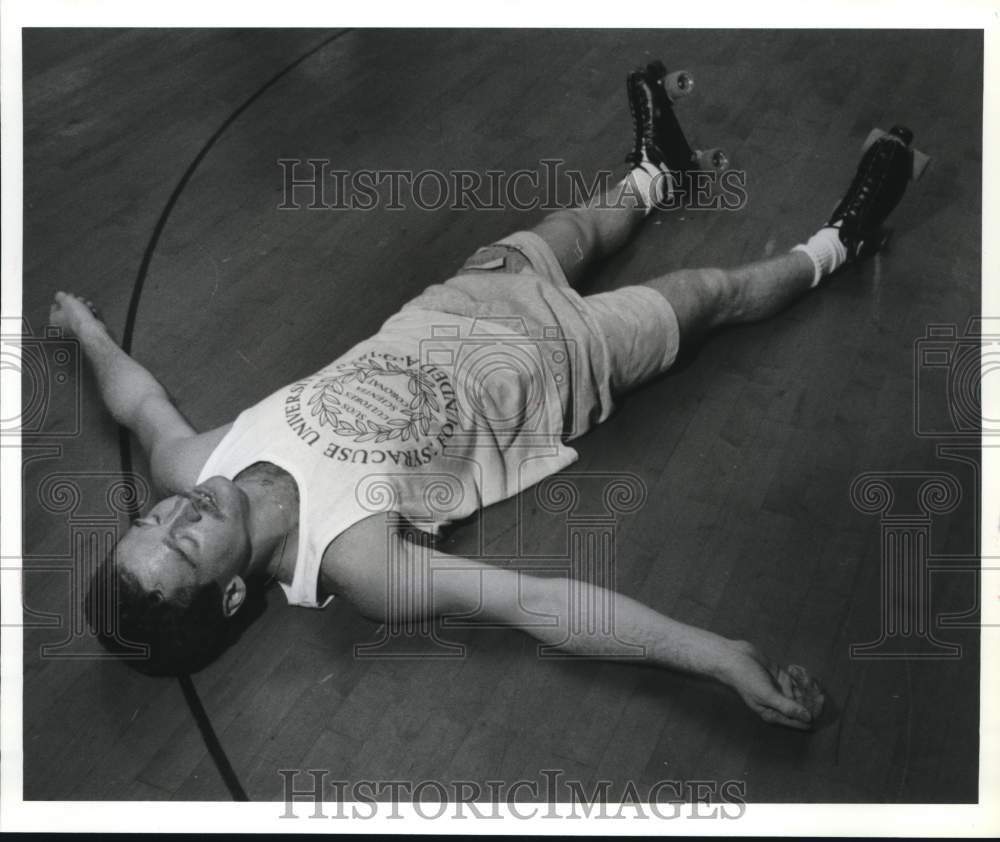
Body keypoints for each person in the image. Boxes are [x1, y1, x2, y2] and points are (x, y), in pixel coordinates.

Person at [52, 60, 918, 730]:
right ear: (231, 594)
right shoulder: (359, 564)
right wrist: (722, 659)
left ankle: (658, 172)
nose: (175, 511)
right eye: (186, 541)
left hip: (455, 304)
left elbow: (136, 402)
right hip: (562, 364)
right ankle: (842, 242)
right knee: (710, 294)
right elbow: (540, 605)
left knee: (575, 226)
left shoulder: (193, 461)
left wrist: (86, 334)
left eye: (151, 519)